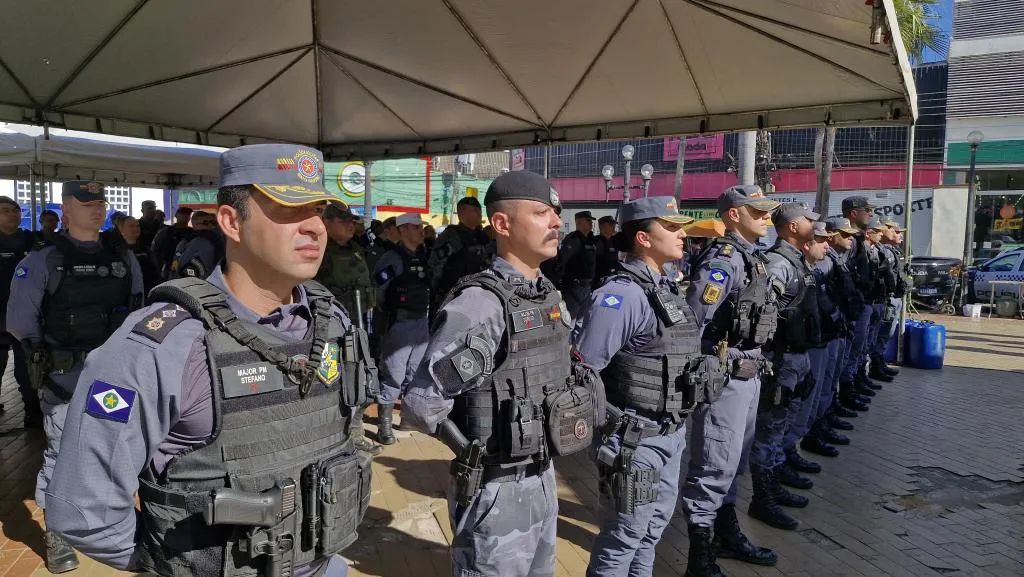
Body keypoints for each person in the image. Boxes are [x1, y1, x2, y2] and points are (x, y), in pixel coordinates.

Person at [44, 144, 378, 577]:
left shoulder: (331, 320)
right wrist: (181, 561)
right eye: (289, 210)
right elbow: (82, 509)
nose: (315, 227)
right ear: (231, 222)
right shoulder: (165, 343)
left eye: (317, 210)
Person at [404, 171, 599, 577]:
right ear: (502, 224)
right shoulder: (481, 305)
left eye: (555, 214)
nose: (556, 222)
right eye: (542, 213)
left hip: (544, 476)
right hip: (496, 489)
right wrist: (473, 455)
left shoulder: (545, 293)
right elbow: (423, 405)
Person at [574, 197, 721, 577]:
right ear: (642, 237)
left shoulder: (665, 288)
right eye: (670, 227)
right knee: (623, 537)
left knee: (651, 532)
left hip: (669, 434)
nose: (681, 234)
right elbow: (583, 370)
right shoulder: (621, 296)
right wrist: (609, 429)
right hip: (633, 441)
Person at [7, 181, 145, 573]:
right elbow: (20, 323)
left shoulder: (121, 256)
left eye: (100, 203)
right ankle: (58, 536)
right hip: (64, 377)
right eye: (86, 203)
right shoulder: (43, 260)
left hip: (113, 377)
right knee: (61, 453)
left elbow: (138, 307)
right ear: (66, 209)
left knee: (122, 449)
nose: (96, 210)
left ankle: (116, 524)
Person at [680, 185, 781, 577]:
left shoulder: (751, 259)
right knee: (714, 464)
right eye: (758, 212)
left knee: (733, 463)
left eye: (768, 212)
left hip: (749, 374)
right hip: (725, 376)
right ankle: (699, 556)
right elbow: (694, 318)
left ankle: (725, 531)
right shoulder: (724, 260)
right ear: (734, 214)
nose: (767, 218)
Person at [747, 203, 822, 532]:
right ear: (792, 227)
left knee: (781, 424)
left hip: (796, 355)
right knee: (770, 429)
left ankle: (775, 480)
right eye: (808, 220)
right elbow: (764, 312)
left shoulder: (796, 259)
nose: (814, 225)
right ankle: (762, 497)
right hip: (780, 358)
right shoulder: (778, 261)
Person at [316, 202, 380, 455]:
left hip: (358, 324)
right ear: (327, 223)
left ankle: (354, 433)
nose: (351, 225)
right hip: (330, 329)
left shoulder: (355, 249)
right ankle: (331, 437)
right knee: (330, 380)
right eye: (344, 221)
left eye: (352, 222)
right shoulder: (320, 252)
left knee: (359, 378)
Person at [371, 212, 431, 445]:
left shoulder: (422, 256)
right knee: (394, 373)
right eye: (415, 228)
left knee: (415, 372)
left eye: (420, 227)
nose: (420, 232)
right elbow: (378, 290)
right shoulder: (392, 258)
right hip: (399, 323)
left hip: (421, 321)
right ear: (403, 230)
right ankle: (384, 424)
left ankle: (408, 418)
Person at [0, 197, 43, 425]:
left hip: (23, 314)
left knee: (26, 368)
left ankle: (32, 410)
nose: (13, 214)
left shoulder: (30, 239)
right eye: (6, 211)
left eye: (15, 210)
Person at [836, 197, 880, 413]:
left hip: (861, 304)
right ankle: (845, 392)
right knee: (848, 354)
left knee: (857, 350)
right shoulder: (849, 241)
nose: (870, 214)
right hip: (851, 308)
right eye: (867, 210)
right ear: (853, 213)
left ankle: (851, 385)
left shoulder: (859, 240)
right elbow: (843, 276)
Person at [428, 196, 493, 313]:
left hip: (478, 294)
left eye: (479, 210)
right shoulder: (452, 235)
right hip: (453, 296)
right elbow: (435, 264)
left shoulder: (482, 236)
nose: (479, 213)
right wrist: (437, 292)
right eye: (474, 210)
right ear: (462, 213)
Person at [868, 219, 906, 379]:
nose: (900, 235)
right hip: (887, 299)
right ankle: (875, 367)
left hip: (894, 296)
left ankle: (879, 363)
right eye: (895, 231)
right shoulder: (880, 251)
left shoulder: (892, 250)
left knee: (886, 334)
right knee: (881, 334)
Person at [556, 211, 599, 321]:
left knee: (581, 319)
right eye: (588, 221)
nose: (591, 223)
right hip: (574, 286)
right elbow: (562, 261)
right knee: (571, 319)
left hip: (587, 285)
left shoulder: (590, 239)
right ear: (579, 222)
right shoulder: (573, 239)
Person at [168, 210, 223, 279]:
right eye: (206, 223)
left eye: (214, 222)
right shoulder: (201, 243)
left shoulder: (187, 241)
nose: (212, 225)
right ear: (195, 224)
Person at [118, 216, 162, 297]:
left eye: (137, 226)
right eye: (131, 226)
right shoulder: (116, 251)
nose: (135, 228)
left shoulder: (146, 249)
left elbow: (156, 272)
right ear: (120, 229)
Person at [150, 206, 194, 280]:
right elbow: (154, 251)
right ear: (176, 215)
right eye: (182, 214)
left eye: (188, 214)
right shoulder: (165, 232)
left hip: (188, 268)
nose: (185, 216)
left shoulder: (193, 233)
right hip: (168, 268)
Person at [593, 215, 620, 285]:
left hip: (613, 278)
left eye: (614, 225)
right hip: (598, 280)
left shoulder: (615, 241)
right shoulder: (594, 241)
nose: (614, 227)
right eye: (611, 225)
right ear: (602, 227)